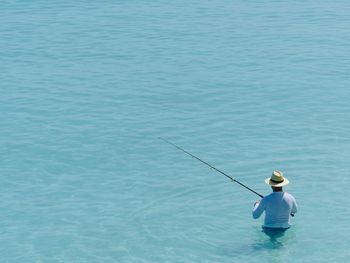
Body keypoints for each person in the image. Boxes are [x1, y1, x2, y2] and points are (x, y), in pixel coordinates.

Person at [252, 171, 297, 236]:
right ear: (283, 184)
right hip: (285, 228)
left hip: (268, 229)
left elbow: (255, 216)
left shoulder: (266, 199)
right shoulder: (290, 197)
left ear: (271, 185)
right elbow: (295, 211)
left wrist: (256, 204)